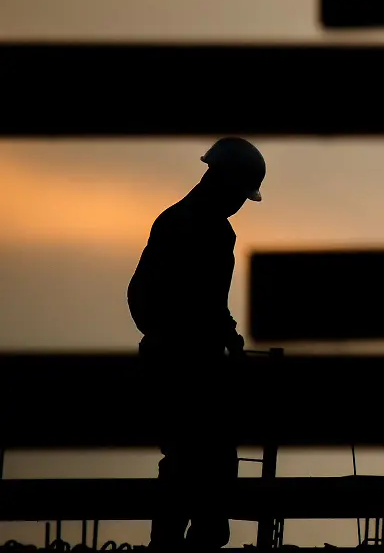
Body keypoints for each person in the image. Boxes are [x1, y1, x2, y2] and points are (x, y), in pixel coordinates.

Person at [127, 136, 266, 550]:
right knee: (206, 465)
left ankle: (173, 543)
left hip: (172, 363)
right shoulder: (207, 232)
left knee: (185, 464)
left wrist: (222, 334)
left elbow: (167, 299)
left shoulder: (174, 220)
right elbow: (198, 302)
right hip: (187, 369)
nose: (241, 204)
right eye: (240, 195)